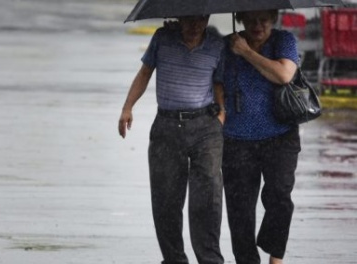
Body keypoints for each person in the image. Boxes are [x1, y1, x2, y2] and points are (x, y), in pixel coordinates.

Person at [118, 15, 226, 264]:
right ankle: (174, 259)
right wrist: (127, 108)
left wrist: (222, 114)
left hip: (205, 127)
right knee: (166, 200)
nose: (194, 26)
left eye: (200, 20)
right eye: (188, 20)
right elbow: (145, 73)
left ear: (207, 18)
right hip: (167, 126)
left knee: (207, 198)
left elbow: (219, 83)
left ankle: (210, 260)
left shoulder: (217, 43)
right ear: (179, 17)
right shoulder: (162, 38)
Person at [221, 10, 300, 264]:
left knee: (280, 198)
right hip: (236, 139)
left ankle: (275, 258)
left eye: (264, 19)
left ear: (274, 18)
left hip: (280, 135)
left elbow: (284, 75)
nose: (258, 25)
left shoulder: (284, 41)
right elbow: (215, 80)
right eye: (252, 19)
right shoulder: (226, 45)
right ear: (241, 18)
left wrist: (246, 52)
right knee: (240, 212)